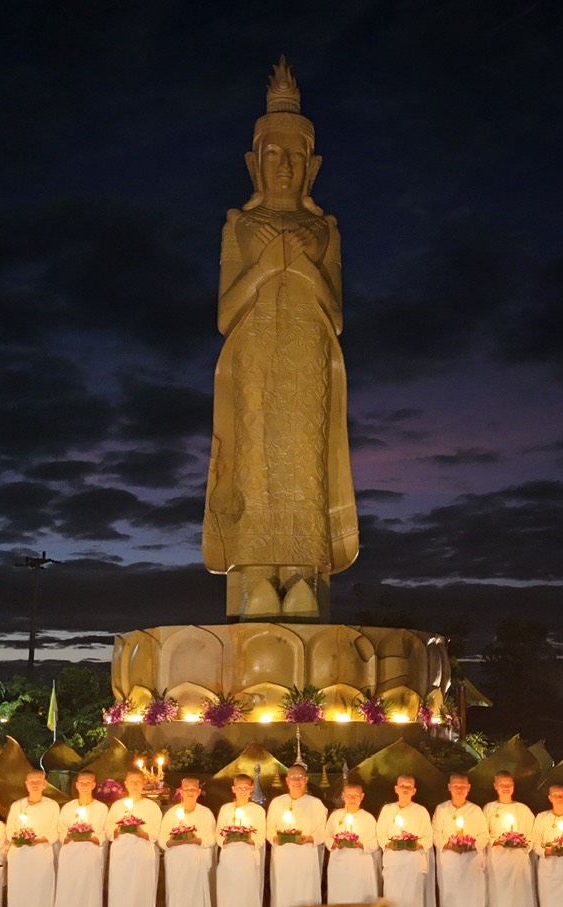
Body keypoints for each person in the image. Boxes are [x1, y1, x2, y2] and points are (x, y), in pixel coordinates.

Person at [203, 57, 357, 621]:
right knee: (255, 457)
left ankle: (300, 573)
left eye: (295, 158)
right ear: (254, 163)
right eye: (274, 156)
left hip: (308, 353)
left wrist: (300, 262)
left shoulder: (323, 229)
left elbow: (336, 316)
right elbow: (224, 314)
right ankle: (257, 573)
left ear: (311, 166)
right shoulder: (240, 226)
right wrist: (267, 263)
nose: (285, 167)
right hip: (254, 354)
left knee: (305, 459)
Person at [267, 763, 327, 907]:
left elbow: (322, 831)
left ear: (307, 780)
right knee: (283, 900)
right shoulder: (277, 803)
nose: (296, 781)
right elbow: (269, 829)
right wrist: (275, 837)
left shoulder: (315, 804)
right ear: (286, 780)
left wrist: (309, 838)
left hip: (305, 860)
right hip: (283, 860)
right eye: (293, 777)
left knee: (306, 899)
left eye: (300, 777)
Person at [51, 769, 108, 907]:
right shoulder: (68, 808)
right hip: (70, 859)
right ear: (76, 785)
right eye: (81, 782)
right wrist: (69, 835)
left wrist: (91, 836)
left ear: (94, 785)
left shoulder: (101, 809)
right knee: (70, 899)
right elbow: (60, 831)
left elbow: (104, 833)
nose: (84, 786)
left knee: (88, 900)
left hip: (90, 858)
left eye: (88, 783)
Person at [106, 770, 163, 907]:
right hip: (121, 858)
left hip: (142, 857)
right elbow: (108, 832)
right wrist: (119, 828)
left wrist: (140, 832)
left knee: (141, 897)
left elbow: (155, 833)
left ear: (144, 784)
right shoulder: (117, 806)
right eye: (132, 781)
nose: (135, 784)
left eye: (139, 781)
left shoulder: (152, 806)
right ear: (126, 783)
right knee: (120, 899)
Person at [432, 772, 488, 907]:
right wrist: (449, 845)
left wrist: (471, 845)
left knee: (471, 904)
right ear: (449, 787)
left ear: (469, 788)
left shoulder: (475, 810)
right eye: (455, 786)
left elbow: (484, 836)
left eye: (463, 786)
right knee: (451, 904)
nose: (459, 789)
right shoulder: (441, 809)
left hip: (470, 864)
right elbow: (436, 835)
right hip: (449, 865)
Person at [378, 774, 434, 907]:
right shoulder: (387, 810)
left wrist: (414, 844)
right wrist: (392, 843)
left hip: (413, 867)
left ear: (414, 790)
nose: (405, 788)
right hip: (394, 866)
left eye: (409, 786)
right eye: (402, 785)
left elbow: (428, 838)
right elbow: (381, 835)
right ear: (396, 788)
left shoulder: (421, 811)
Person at [484, 771, 538, 907]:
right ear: (495, 785)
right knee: (498, 906)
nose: (506, 787)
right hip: (497, 865)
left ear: (514, 786)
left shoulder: (523, 810)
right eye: (502, 784)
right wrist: (497, 840)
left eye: (509, 784)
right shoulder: (489, 809)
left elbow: (533, 836)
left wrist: (522, 842)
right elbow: (484, 835)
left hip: (518, 866)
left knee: (518, 906)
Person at [163, 776, 219, 907]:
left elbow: (212, 839)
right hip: (176, 867)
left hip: (196, 867)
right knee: (177, 905)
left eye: (193, 789)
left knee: (196, 906)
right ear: (180, 790)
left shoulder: (206, 813)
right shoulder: (172, 813)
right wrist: (172, 842)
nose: (189, 792)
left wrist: (196, 840)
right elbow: (162, 840)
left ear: (199, 791)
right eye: (186, 789)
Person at [7, 770, 60, 907]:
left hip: (40, 857)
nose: (35, 784)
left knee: (39, 900)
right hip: (19, 859)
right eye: (31, 781)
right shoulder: (17, 806)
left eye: (39, 781)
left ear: (45, 784)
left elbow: (55, 831)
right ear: (26, 784)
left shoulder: (52, 806)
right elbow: (10, 831)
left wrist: (38, 839)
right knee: (18, 900)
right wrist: (20, 837)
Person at [325, 782, 381, 907]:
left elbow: (375, 842)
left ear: (362, 797)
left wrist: (361, 843)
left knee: (359, 906)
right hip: (339, 868)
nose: (352, 798)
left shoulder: (368, 818)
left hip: (360, 869)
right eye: (348, 795)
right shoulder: (336, 816)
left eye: (356, 795)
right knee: (338, 905)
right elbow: (327, 836)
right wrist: (333, 842)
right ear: (343, 796)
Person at [217, 774, 265, 907]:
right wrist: (227, 838)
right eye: (239, 788)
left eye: (246, 787)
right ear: (233, 789)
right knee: (229, 904)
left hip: (247, 863)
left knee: (246, 903)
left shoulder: (257, 811)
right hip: (229, 862)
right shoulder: (226, 809)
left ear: (252, 789)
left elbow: (260, 838)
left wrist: (248, 838)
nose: (243, 791)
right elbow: (218, 835)